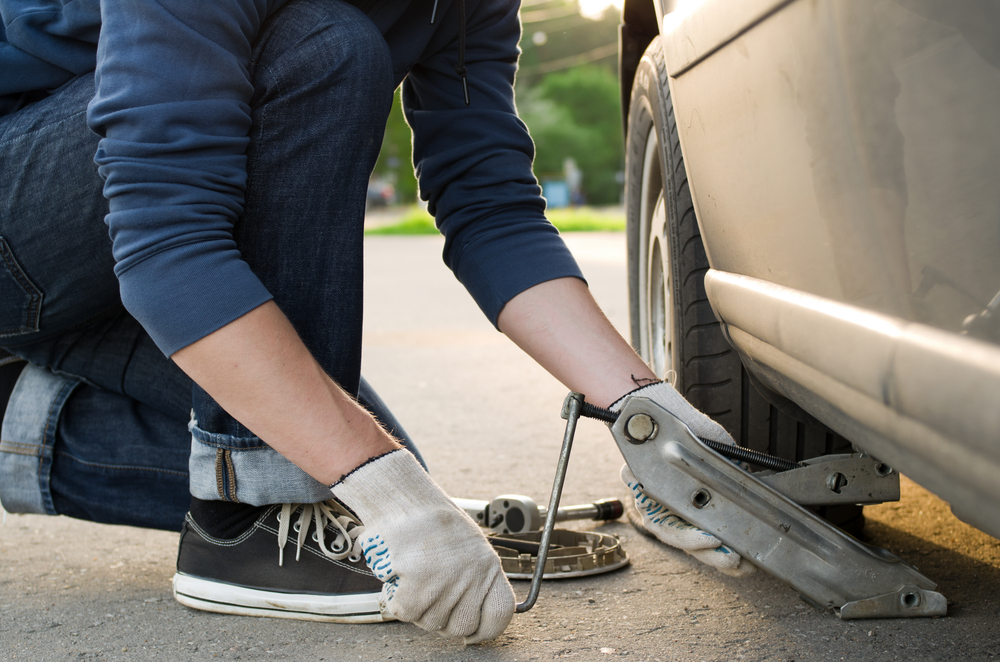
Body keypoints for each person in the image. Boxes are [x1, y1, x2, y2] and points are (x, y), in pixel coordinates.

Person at [0, 0, 749, 644]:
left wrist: (647, 411)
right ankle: (245, 528)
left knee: (355, 463)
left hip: (94, 257)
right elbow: (166, 239)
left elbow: (490, 207)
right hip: (30, 219)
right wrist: (386, 494)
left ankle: (13, 409)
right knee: (322, 48)